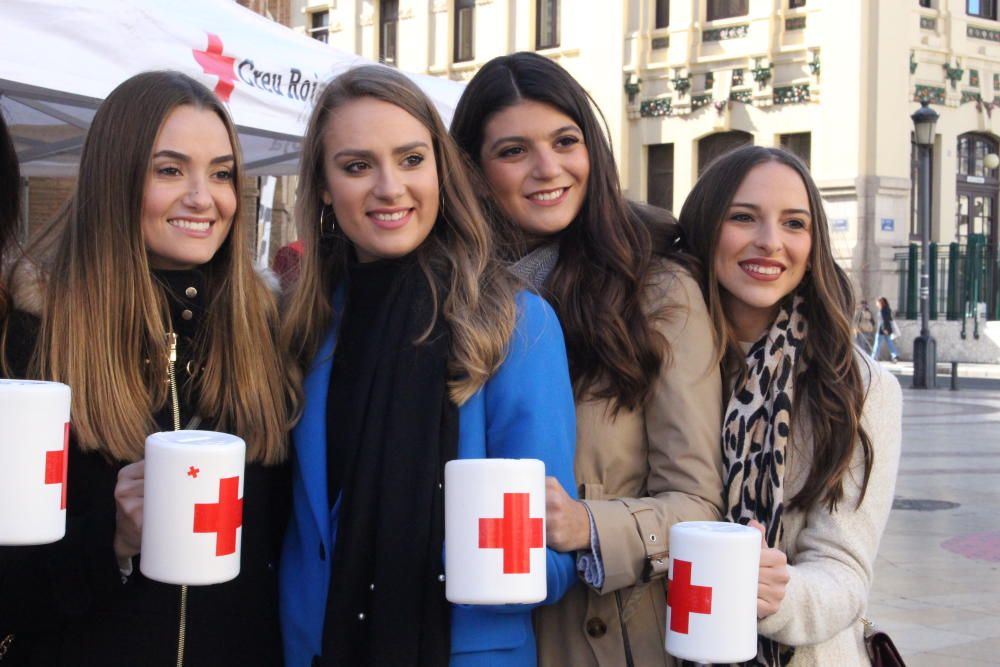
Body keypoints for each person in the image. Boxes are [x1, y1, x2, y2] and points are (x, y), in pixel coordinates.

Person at [278, 65, 577, 667]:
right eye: (357, 166)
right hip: (317, 650)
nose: (390, 187)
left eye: (412, 159)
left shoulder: (517, 323)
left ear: (441, 169)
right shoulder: (298, 326)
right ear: (324, 188)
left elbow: (552, 557)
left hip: (462, 651)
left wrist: (466, 558)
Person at [0, 71, 291, 666]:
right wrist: (109, 538)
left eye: (221, 173)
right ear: (116, 180)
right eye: (170, 170)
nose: (203, 197)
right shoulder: (33, 340)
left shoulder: (268, 334)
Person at [450, 52, 723, 667]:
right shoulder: (447, 296)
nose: (549, 169)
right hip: (475, 637)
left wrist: (589, 526)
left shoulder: (656, 291)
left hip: (604, 636)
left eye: (565, 141)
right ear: (471, 168)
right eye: (514, 150)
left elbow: (700, 501)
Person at [678, 145, 902, 665]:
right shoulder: (654, 363)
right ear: (705, 226)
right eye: (742, 217)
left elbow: (843, 568)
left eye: (794, 223)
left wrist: (781, 593)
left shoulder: (858, 387)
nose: (770, 242)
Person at [872, 296, 900, 362]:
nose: (876, 304)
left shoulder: (883, 310)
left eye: (877, 303)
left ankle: (873, 357)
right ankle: (895, 355)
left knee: (877, 343)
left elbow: (885, 320)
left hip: (882, 329)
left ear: (880, 303)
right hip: (886, 328)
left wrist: (885, 329)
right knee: (889, 342)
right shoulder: (887, 309)